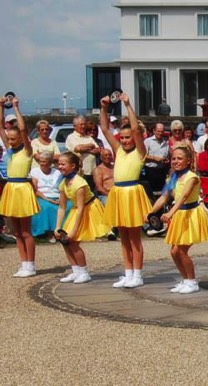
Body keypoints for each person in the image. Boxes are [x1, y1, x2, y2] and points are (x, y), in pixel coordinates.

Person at [98, 93, 153, 288]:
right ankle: (128, 272)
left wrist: (128, 105)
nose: (125, 140)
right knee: (123, 236)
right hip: (118, 193)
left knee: (135, 237)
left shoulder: (140, 152)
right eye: (122, 137)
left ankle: (137, 274)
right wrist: (103, 107)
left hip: (132, 193)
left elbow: (137, 129)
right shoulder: (118, 149)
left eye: (128, 137)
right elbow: (104, 129)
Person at [148, 145, 208, 294]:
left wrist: (170, 213)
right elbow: (164, 197)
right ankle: (186, 279)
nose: (175, 161)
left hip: (190, 215)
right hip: (180, 215)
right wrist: (150, 212)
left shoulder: (192, 177)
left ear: (188, 161)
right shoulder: (173, 177)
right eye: (174, 158)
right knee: (174, 252)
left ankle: (192, 281)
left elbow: (183, 197)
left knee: (181, 251)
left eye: (179, 158)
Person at [55, 152, 111, 284]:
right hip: (76, 209)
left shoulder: (79, 183)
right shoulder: (63, 182)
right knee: (65, 241)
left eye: (63, 164)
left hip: (88, 209)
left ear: (73, 166)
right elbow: (62, 207)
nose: (60, 166)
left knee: (73, 241)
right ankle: (76, 271)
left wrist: (74, 231)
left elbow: (81, 208)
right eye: (59, 164)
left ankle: (84, 272)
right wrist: (58, 226)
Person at [0, 96, 40, 277]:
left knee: (25, 230)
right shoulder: (9, 150)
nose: (11, 140)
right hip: (11, 187)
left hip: (23, 188)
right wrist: (1, 107)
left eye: (14, 138)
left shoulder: (27, 150)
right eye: (9, 138)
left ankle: (30, 264)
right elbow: (1, 126)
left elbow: (23, 129)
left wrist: (16, 107)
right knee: (16, 231)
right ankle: (23, 263)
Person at [31, 152, 68, 243]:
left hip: (56, 195)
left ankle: (63, 231)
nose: (42, 164)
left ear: (50, 162)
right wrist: (48, 199)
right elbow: (35, 190)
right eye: (41, 161)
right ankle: (49, 233)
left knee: (69, 206)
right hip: (42, 196)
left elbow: (61, 187)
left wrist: (61, 198)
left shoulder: (57, 172)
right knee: (47, 207)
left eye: (44, 162)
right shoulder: (35, 171)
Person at [65, 116, 100, 192]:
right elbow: (78, 148)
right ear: (75, 126)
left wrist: (84, 149)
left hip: (92, 172)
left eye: (84, 124)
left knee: (91, 193)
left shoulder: (89, 137)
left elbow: (98, 150)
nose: (83, 126)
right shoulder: (71, 137)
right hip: (80, 172)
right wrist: (90, 146)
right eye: (81, 124)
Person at [143, 122, 170, 197]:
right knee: (150, 194)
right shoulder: (147, 141)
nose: (160, 133)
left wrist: (166, 161)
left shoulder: (166, 143)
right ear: (154, 131)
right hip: (150, 171)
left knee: (161, 193)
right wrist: (155, 158)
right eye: (158, 131)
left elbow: (167, 156)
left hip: (161, 171)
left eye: (162, 131)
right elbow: (143, 156)